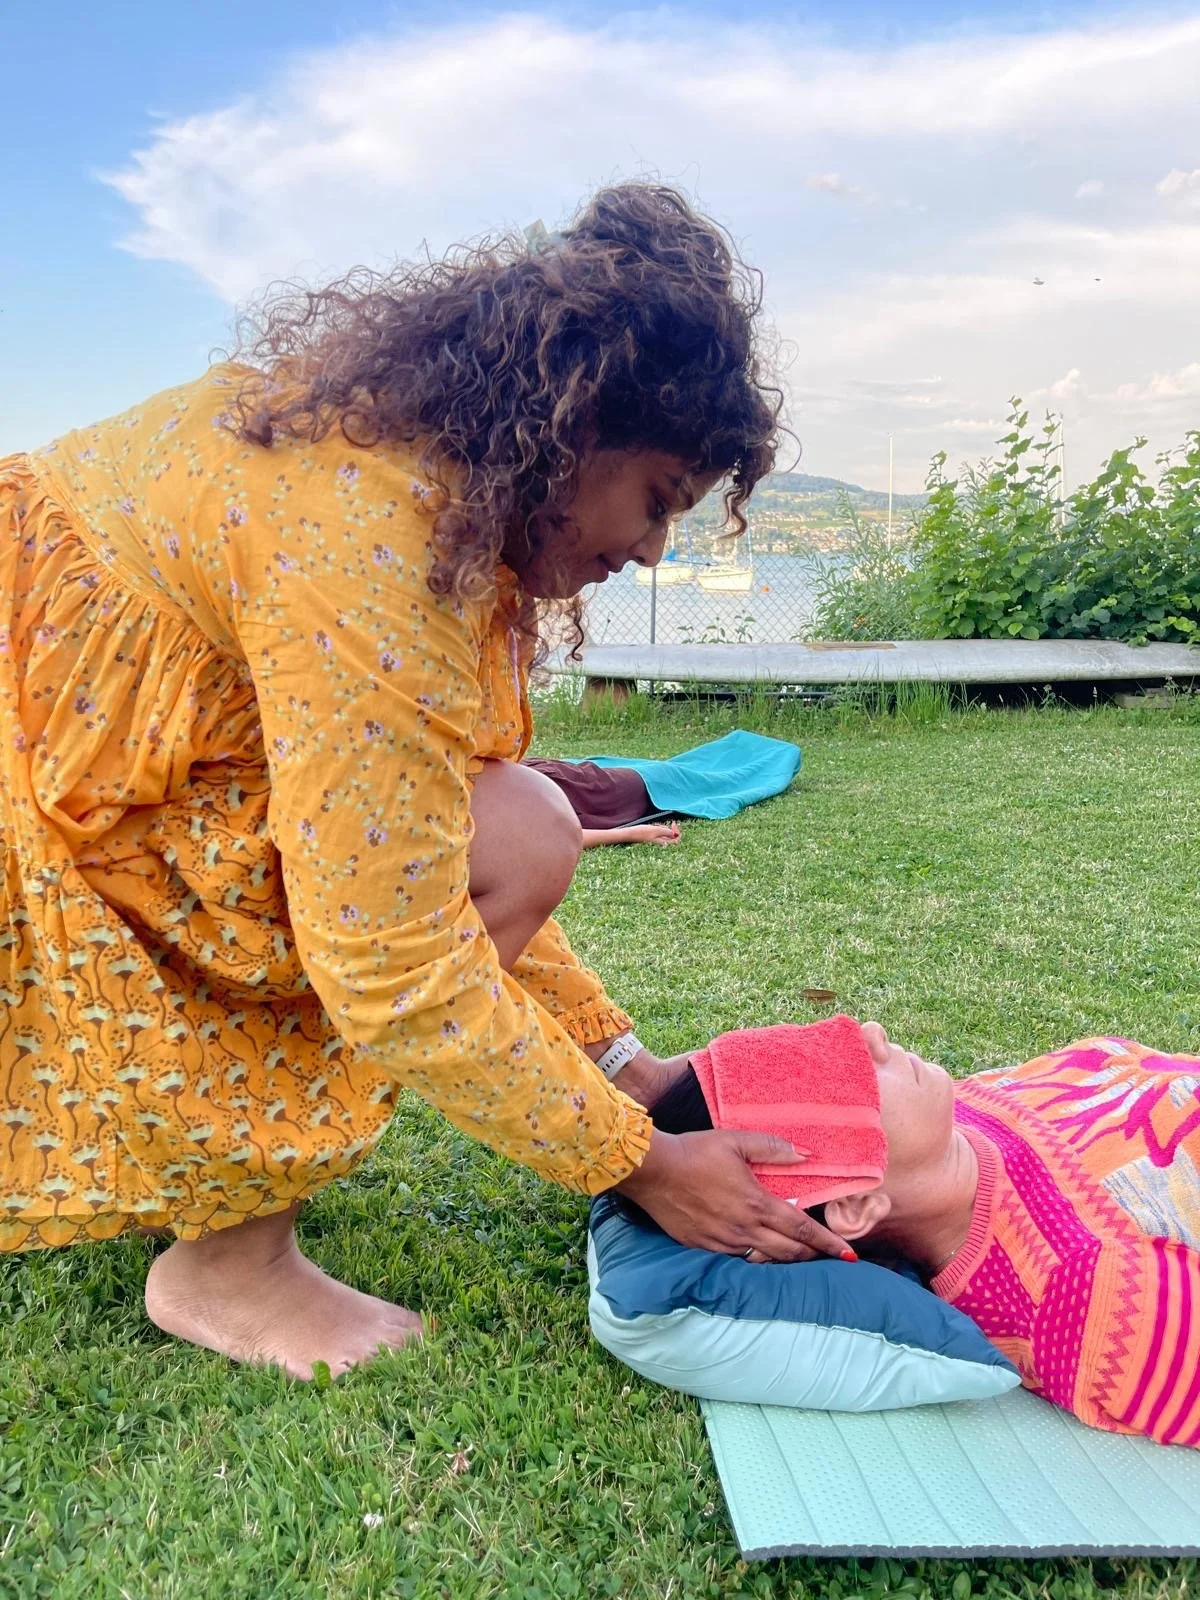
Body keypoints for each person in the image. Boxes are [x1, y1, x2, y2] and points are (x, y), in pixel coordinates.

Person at [0, 183, 847, 1380]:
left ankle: (217, 1212)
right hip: (39, 733)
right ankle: (226, 1268)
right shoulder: (368, 533)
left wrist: (621, 1066)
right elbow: (392, 955)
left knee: (516, 821)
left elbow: (432, 825)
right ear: (575, 421)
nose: (656, 549)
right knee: (495, 844)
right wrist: (634, 1161)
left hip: (79, 719)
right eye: (658, 500)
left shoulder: (442, 488)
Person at [650, 1016, 1200, 1447]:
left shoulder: (965, 1108)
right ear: (855, 1203)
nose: (872, 1035)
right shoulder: (1091, 1295)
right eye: (848, 1075)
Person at [521, 758, 681, 848]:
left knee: (664, 775)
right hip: (564, 794)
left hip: (544, 777)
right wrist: (632, 833)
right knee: (665, 776)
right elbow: (552, 837)